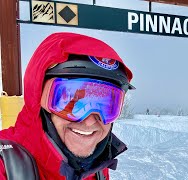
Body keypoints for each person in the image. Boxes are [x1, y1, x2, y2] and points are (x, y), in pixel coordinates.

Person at [0, 32, 135, 179]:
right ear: (37, 97)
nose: (90, 121)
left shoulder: (97, 169)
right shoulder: (6, 166)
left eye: (105, 105)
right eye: (71, 101)